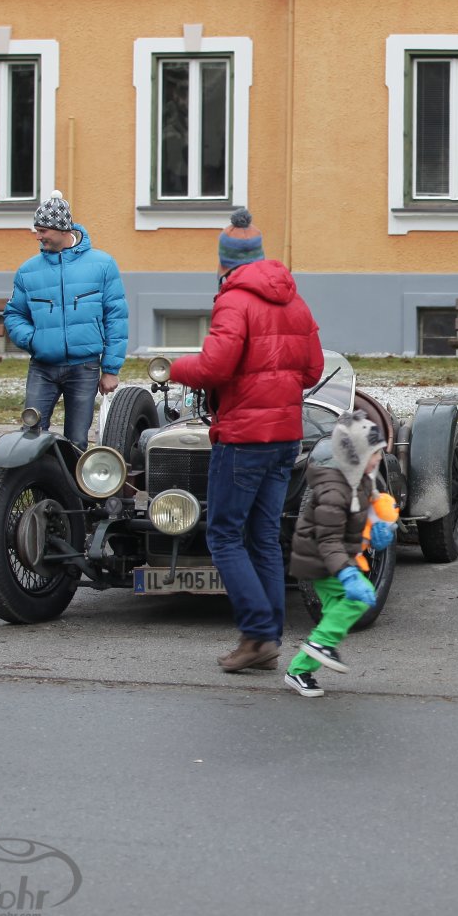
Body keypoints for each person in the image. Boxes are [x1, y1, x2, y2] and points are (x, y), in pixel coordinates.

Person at [170, 209, 324, 674]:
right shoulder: (294, 300)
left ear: (224, 261)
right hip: (285, 436)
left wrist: (176, 367)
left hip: (243, 437)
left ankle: (258, 633)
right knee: (263, 537)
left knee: (223, 535)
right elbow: (313, 370)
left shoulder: (234, 300)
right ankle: (267, 637)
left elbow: (214, 366)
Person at [282, 411, 398, 697]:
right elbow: (328, 540)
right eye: (375, 453)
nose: (379, 459)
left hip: (334, 558)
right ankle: (318, 646)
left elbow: (364, 511)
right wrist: (347, 574)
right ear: (356, 455)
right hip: (320, 560)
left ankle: (299, 670)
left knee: (336, 616)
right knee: (357, 602)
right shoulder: (334, 491)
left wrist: (378, 528)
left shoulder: (360, 480)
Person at [3, 191, 130, 447]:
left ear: (62, 229)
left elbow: (116, 318)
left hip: (84, 367)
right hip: (42, 367)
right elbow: (14, 314)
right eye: (37, 230)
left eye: (42, 230)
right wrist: (33, 340)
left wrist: (110, 370)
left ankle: (73, 476)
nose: (38, 237)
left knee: (77, 441)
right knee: (30, 435)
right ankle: (37, 475)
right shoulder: (28, 271)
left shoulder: (103, 265)